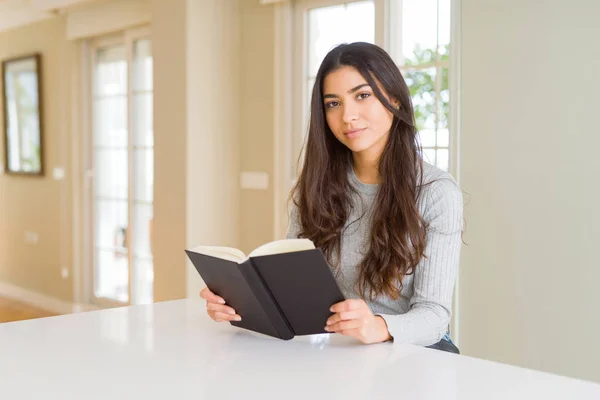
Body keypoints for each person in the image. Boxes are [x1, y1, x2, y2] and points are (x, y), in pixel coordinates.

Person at [200, 42, 463, 353]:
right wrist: (240, 304)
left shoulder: (436, 192)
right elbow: (294, 291)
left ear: (394, 99)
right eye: (333, 104)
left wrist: (378, 326)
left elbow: (435, 316)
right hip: (339, 353)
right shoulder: (311, 188)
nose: (348, 116)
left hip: (415, 354)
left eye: (362, 96)